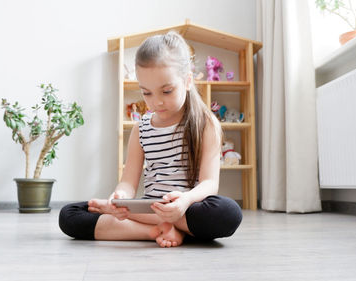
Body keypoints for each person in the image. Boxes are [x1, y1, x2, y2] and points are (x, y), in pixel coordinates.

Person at [59, 31, 242, 248]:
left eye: (166, 91)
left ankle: (167, 224)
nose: (157, 102)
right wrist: (121, 196)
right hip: (149, 207)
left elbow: (209, 183)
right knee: (69, 215)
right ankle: (157, 230)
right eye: (146, 93)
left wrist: (184, 201)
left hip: (188, 208)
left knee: (228, 213)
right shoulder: (141, 128)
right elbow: (129, 180)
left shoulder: (206, 123)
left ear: (188, 81)